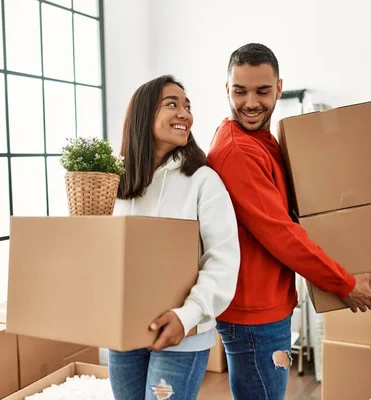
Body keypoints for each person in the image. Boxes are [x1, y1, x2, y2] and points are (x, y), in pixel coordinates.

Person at [206, 43, 371, 399]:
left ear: (279, 88)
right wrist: (342, 282)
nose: (251, 102)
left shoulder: (262, 142)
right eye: (240, 91)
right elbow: (281, 234)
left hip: (267, 305)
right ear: (227, 89)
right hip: (254, 314)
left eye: (263, 91)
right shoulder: (238, 151)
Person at [109, 75, 241, 400]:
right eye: (172, 104)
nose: (185, 114)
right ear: (144, 114)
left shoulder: (203, 180)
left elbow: (223, 260)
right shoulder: (118, 182)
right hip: (124, 331)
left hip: (183, 333)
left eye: (187, 106)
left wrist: (187, 316)